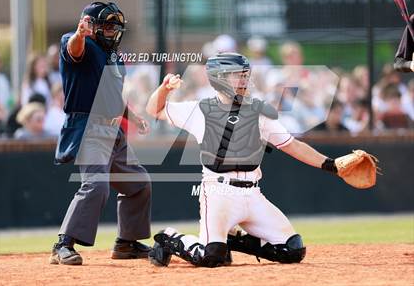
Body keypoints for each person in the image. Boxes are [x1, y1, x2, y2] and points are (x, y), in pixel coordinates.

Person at [145, 53, 352, 268]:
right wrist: (165, 89)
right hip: (218, 193)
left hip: (253, 194)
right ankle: (171, 238)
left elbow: (292, 145)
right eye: (237, 75)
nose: (244, 80)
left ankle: (231, 239)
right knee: (211, 256)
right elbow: (154, 109)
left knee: (293, 250)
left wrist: (332, 164)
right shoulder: (200, 110)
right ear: (219, 78)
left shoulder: (259, 111)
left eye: (245, 75)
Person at [51, 2, 152, 266]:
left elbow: (113, 96)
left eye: (115, 27)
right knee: (96, 184)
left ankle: (126, 243)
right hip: (88, 126)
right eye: (106, 26)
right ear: (91, 25)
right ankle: (63, 244)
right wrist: (79, 35)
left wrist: (133, 116)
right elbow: (74, 49)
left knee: (139, 184)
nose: (112, 32)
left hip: (112, 128)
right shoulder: (78, 42)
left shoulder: (114, 56)